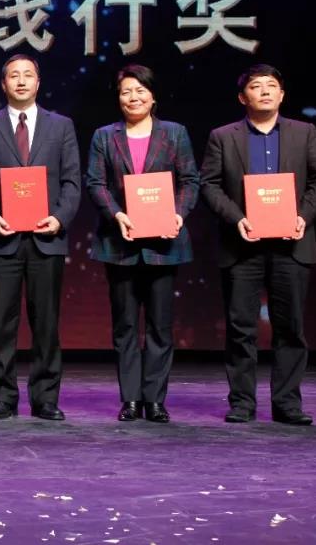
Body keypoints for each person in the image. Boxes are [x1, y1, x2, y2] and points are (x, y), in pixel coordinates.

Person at [200, 64, 316, 425]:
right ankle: (242, 402)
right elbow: (209, 184)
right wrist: (236, 218)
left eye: (271, 86)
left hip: (292, 244)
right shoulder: (222, 136)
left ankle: (287, 403)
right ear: (243, 97)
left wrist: (303, 216)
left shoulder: (305, 132)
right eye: (256, 87)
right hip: (242, 244)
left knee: (290, 327)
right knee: (241, 327)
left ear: (282, 94)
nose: (265, 91)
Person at [85, 64, 199, 423]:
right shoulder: (105, 136)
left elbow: (190, 180)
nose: (133, 97)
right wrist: (117, 214)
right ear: (118, 98)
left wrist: (178, 214)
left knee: (160, 327)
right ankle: (131, 399)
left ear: (152, 95)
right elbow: (95, 183)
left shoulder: (175, 133)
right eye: (126, 92)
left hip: (164, 245)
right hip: (120, 243)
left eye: (140, 91)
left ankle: (155, 400)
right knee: (125, 327)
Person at [0, 54, 80, 421]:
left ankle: (45, 397)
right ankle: (3, 397)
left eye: (27, 75)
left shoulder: (61, 126)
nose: (21, 81)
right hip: (3, 237)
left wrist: (59, 218)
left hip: (47, 237)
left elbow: (71, 181)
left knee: (46, 322)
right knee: (2, 323)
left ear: (38, 82)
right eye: (13, 76)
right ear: (3, 84)